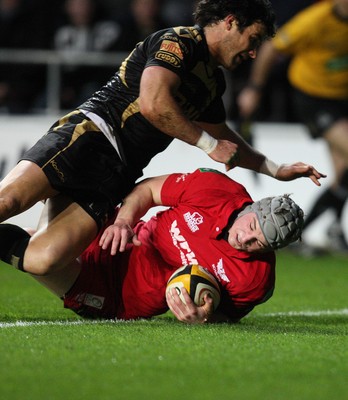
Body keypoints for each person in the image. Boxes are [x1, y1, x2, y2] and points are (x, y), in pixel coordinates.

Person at [0, 0, 324, 285]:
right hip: (91, 137)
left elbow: (225, 137)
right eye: (252, 39)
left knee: (45, 260)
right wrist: (208, 145)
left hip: (114, 177)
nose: (253, 52)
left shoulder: (213, 82)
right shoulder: (178, 41)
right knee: (9, 202)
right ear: (229, 22)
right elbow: (153, 104)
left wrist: (275, 168)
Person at [2, 168, 305, 323]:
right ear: (251, 208)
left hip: (112, 295)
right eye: (251, 228)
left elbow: (226, 317)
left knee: (41, 259)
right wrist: (124, 221)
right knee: (62, 180)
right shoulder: (215, 189)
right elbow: (148, 189)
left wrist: (203, 318)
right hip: (114, 234)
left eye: (258, 245)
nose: (245, 241)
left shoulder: (255, 280)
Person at [237, 0, 348, 253]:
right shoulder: (316, 19)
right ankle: (307, 231)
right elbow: (271, 49)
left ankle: (330, 230)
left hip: (341, 99)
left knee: (342, 174)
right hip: (313, 98)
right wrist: (254, 89)